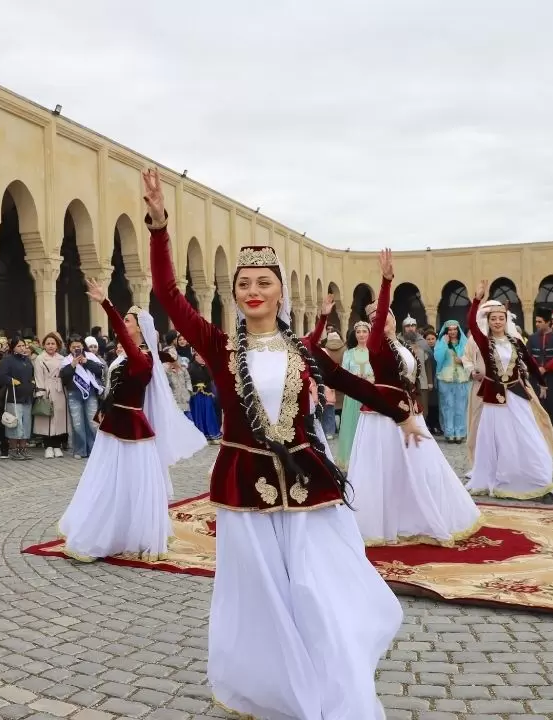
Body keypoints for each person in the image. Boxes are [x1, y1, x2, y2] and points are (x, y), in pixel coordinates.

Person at [144, 168, 401, 718]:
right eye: (244, 284)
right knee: (259, 594)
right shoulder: (218, 346)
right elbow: (167, 293)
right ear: (235, 293)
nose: (253, 292)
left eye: (263, 282)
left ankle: (327, 674)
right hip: (245, 486)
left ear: (281, 291)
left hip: (308, 484)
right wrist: (160, 226)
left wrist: (402, 409)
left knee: (316, 585)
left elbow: (348, 382)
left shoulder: (303, 350)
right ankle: (275, 686)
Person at [307, 255, 476, 547]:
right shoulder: (375, 344)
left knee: (424, 470)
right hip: (383, 417)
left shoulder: (402, 345)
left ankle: (417, 517)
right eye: (373, 319)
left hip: (411, 413)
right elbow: (377, 312)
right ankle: (386, 522)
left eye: (383, 316)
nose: (379, 320)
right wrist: (386, 282)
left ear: (394, 318)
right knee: (386, 472)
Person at [58, 280, 206, 562]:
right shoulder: (129, 356)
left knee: (127, 485)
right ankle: (108, 531)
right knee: (105, 481)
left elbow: (129, 345)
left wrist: (106, 303)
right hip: (114, 424)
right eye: (123, 319)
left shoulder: (142, 359)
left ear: (139, 328)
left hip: (132, 429)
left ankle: (123, 535)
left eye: (128, 321)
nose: (123, 325)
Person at [465, 281, 553, 503]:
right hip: (494, 400)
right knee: (501, 441)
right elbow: (471, 322)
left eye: (501, 318)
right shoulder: (484, 342)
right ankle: (504, 477)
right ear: (488, 321)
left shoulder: (516, 341)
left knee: (529, 435)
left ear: (506, 320)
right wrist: (477, 300)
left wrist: (542, 382)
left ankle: (538, 477)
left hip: (517, 395)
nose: (497, 322)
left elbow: (530, 361)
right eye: (493, 319)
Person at [335, 313, 373, 468]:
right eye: (358, 332)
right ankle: (351, 461)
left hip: (371, 395)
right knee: (352, 427)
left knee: (369, 429)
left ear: (369, 333)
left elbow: (380, 374)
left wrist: (370, 378)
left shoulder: (375, 352)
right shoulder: (348, 354)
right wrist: (354, 377)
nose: (361, 334)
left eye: (364, 331)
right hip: (353, 396)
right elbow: (343, 375)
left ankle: (369, 461)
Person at [528, 304, 553, 442]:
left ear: (547, 322)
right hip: (536, 377)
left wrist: (545, 368)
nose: (537, 324)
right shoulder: (532, 338)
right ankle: (539, 434)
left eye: (539, 321)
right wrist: (536, 368)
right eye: (536, 321)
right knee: (538, 404)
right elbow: (528, 356)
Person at [60, 337, 104, 459]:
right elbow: (64, 378)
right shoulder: (66, 360)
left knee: (92, 423)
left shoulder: (90, 357)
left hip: (90, 393)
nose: (76, 349)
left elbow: (100, 371)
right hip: (74, 394)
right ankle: (80, 450)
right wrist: (72, 365)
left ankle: (93, 450)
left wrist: (86, 362)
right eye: (73, 347)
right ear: (69, 348)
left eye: (78, 346)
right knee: (77, 423)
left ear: (83, 346)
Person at [0, 337, 36, 461]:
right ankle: (14, 449)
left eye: (23, 345)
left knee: (26, 423)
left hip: (27, 396)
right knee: (15, 423)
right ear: (13, 348)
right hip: (14, 396)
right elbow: (2, 375)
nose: (22, 348)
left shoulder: (27, 360)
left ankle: (23, 448)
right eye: (19, 346)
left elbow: (32, 374)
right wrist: (11, 381)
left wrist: (33, 382)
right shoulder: (7, 360)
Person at [433, 320, 471, 443]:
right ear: (446, 331)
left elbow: (471, 358)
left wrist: (462, 361)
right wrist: (444, 343)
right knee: (447, 406)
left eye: (455, 329)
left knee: (461, 406)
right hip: (445, 377)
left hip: (462, 378)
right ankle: (449, 432)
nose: (452, 331)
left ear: (458, 330)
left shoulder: (465, 342)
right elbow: (438, 358)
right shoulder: (441, 342)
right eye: (450, 329)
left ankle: (460, 432)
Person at [33, 333, 69, 458]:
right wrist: (41, 392)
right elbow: (38, 376)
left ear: (57, 345)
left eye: (53, 343)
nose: (50, 346)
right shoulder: (40, 358)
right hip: (46, 388)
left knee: (59, 418)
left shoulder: (62, 358)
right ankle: (48, 446)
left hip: (60, 390)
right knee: (47, 418)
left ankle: (57, 445)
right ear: (44, 345)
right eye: (48, 343)